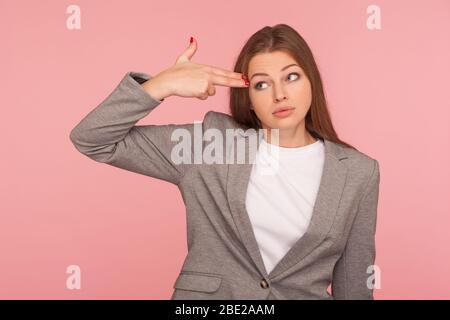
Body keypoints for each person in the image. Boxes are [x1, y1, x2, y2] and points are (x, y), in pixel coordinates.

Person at [70, 24, 380, 300]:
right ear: (248, 96)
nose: (280, 94)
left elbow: (354, 285)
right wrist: (161, 86)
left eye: (292, 77)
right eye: (262, 84)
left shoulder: (358, 172)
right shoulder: (209, 144)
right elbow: (92, 139)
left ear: (311, 81)